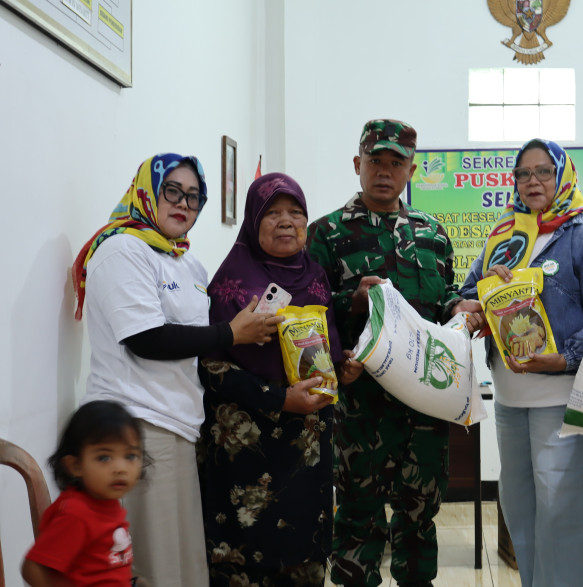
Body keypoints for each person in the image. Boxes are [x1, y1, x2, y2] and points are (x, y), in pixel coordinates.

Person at [72, 153, 279, 586]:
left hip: (180, 426)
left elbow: (196, 338)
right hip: (137, 425)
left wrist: (244, 328)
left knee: (185, 568)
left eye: (194, 196)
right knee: (154, 568)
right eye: (172, 191)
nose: (183, 203)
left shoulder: (187, 262)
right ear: (147, 190)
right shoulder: (121, 249)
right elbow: (146, 339)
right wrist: (231, 333)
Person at [307, 119, 481, 587]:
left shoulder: (432, 233)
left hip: (424, 405)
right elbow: (310, 314)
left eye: (396, 162)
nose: (385, 171)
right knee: (358, 520)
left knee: (420, 520)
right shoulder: (325, 234)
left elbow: (441, 297)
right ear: (357, 164)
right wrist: (351, 302)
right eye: (375, 161)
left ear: (411, 169)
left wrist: (460, 306)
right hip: (360, 407)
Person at [458, 138, 583, 587]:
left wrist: (564, 357)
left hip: (562, 397)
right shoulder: (503, 237)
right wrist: (474, 308)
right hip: (510, 400)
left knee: (562, 516)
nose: (533, 181)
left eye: (543, 172)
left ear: (563, 175)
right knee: (521, 514)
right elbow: (464, 298)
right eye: (523, 173)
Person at [198, 172, 361, 586]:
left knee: (303, 561)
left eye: (296, 212)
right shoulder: (231, 284)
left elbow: (328, 352)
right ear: (253, 221)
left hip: (306, 450)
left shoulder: (316, 277)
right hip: (249, 453)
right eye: (272, 212)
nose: (286, 221)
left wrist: (346, 370)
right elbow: (212, 368)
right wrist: (279, 398)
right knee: (247, 567)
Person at [22, 400, 146, 587]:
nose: (120, 468)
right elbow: (32, 569)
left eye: (130, 456)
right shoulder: (77, 514)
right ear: (75, 465)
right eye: (104, 457)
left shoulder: (106, 501)